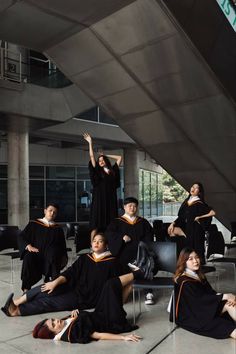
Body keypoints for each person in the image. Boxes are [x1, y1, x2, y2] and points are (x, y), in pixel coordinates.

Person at [1, 234, 123, 317]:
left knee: (50, 302)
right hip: (73, 286)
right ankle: (17, 301)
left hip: (86, 298)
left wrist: (120, 300)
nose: (96, 243)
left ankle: (17, 311)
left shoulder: (112, 262)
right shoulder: (85, 258)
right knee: (46, 288)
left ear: (106, 245)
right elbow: (71, 272)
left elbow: (121, 281)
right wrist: (55, 282)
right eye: (94, 241)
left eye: (100, 241)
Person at [33, 273, 142, 343]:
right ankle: (141, 272)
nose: (56, 321)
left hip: (100, 313)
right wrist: (124, 338)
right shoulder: (73, 333)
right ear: (55, 333)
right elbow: (98, 335)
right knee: (110, 285)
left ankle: (141, 273)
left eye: (53, 320)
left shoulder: (64, 324)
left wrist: (77, 313)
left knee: (108, 286)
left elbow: (81, 319)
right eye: (53, 325)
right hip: (110, 321)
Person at [172, 248, 236, 339]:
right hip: (194, 317)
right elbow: (199, 301)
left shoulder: (197, 275)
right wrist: (224, 296)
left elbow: (210, 293)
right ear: (184, 262)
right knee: (227, 327)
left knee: (230, 304)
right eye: (190, 259)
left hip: (205, 309)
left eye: (196, 257)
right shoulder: (184, 281)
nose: (195, 261)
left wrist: (226, 297)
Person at [106, 197, 154, 305]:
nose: (132, 208)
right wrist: (121, 237)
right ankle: (120, 293)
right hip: (123, 254)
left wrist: (144, 247)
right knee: (118, 266)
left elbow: (149, 237)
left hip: (140, 254)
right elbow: (110, 235)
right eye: (129, 206)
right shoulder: (116, 222)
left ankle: (148, 292)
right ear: (124, 207)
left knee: (146, 264)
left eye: (134, 206)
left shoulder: (143, 222)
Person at [18, 203, 68, 291]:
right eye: (50, 211)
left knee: (54, 254)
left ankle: (51, 286)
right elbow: (22, 236)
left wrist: (62, 257)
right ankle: (26, 290)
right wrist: (28, 246)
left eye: (55, 212)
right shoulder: (34, 224)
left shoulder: (58, 229)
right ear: (45, 211)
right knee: (28, 257)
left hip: (50, 257)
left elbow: (62, 246)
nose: (52, 213)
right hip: (36, 255)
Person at [83, 132, 122, 239]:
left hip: (110, 199)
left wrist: (105, 154)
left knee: (110, 225)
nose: (100, 161)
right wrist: (90, 143)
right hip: (99, 199)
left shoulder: (113, 171)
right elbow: (91, 156)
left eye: (102, 160)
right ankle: (92, 246)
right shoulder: (96, 170)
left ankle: (109, 245)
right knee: (96, 225)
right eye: (99, 160)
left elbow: (119, 158)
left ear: (105, 161)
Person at [168, 182, 215, 263]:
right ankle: (179, 255)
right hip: (186, 227)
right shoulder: (187, 201)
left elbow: (212, 212)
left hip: (195, 229)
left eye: (196, 188)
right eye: (192, 186)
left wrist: (199, 217)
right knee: (171, 230)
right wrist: (173, 223)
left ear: (199, 192)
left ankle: (192, 261)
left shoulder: (199, 203)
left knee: (194, 248)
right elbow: (181, 217)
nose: (193, 188)